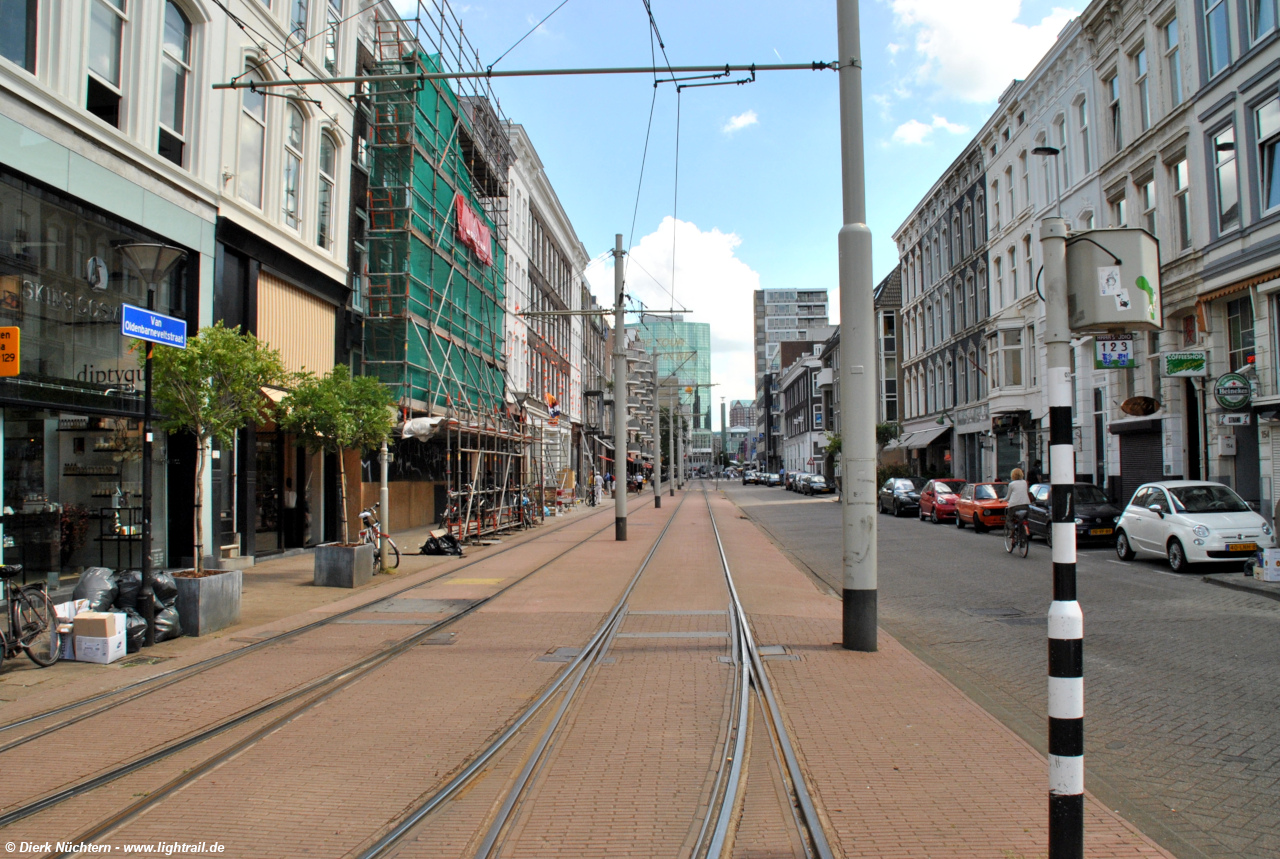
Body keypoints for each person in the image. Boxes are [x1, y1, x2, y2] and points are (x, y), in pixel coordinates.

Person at [1005, 467, 1031, 541]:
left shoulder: (1011, 484)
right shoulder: (1025, 482)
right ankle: (1022, 538)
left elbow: (1008, 497)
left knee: (1009, 519)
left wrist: (1002, 500)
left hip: (1014, 506)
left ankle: (1012, 529)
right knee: (1023, 520)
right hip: (1025, 505)